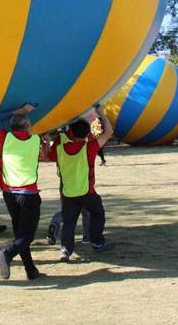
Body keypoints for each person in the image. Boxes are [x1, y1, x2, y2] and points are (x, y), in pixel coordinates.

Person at [47, 105, 115, 262]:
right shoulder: (89, 146)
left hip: (67, 190)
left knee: (69, 220)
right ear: (86, 132)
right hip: (86, 190)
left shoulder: (60, 143)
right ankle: (96, 242)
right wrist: (99, 114)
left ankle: (65, 249)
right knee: (96, 213)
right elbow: (106, 132)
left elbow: (49, 154)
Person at [0, 104, 46, 281]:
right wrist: (27, 112)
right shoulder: (35, 141)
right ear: (27, 127)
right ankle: (6, 254)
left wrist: (18, 111)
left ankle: (31, 270)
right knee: (27, 235)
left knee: (20, 234)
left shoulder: (4, 138)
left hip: (9, 194)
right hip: (28, 195)